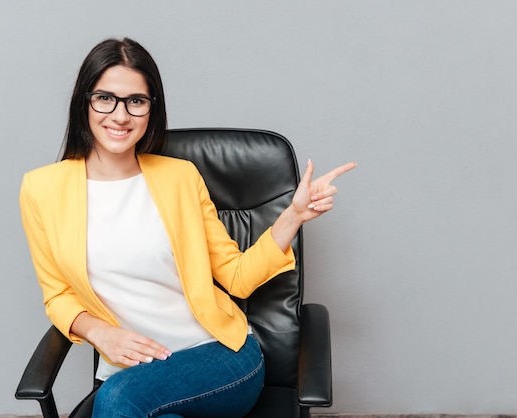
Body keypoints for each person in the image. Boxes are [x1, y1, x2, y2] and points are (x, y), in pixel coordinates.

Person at [20, 37, 355, 418]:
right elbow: (58, 295)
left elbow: (237, 276)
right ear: (85, 102)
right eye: (105, 98)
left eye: (136, 101)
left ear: (151, 109)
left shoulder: (179, 177)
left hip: (219, 358)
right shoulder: (42, 189)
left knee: (117, 401)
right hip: (133, 370)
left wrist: (291, 217)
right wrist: (100, 333)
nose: (120, 115)